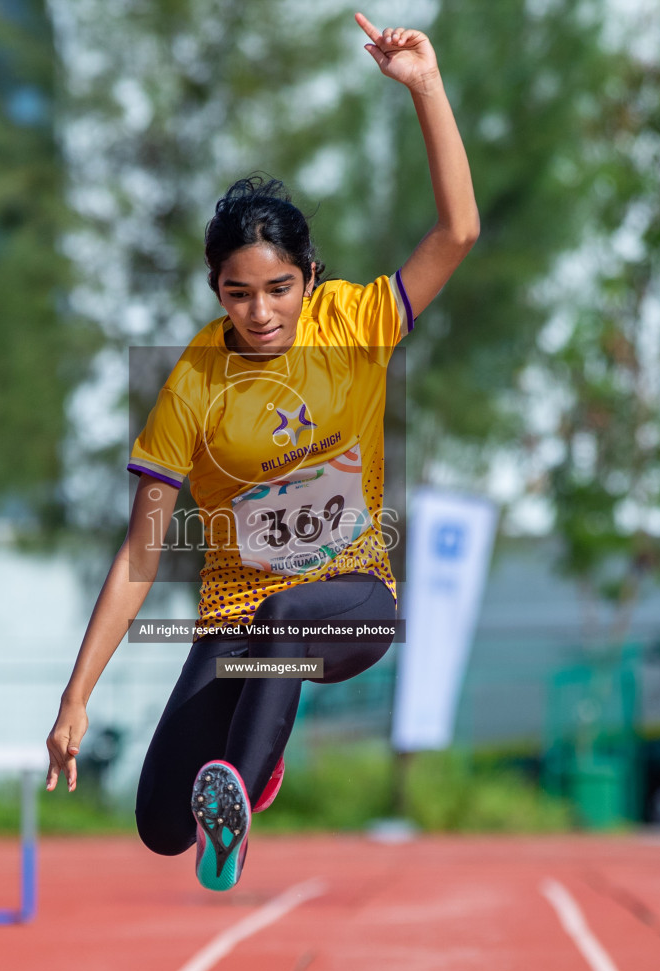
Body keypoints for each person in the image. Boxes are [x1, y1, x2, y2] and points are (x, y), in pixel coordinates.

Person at [44, 12, 478, 891]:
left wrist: (425, 87)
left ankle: (241, 791)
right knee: (162, 824)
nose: (262, 312)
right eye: (238, 294)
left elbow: (458, 232)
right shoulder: (195, 381)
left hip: (350, 602)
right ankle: (243, 778)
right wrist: (75, 695)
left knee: (287, 620)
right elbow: (140, 554)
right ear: (216, 291)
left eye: (279, 288)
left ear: (310, 278)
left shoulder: (355, 324)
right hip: (234, 617)